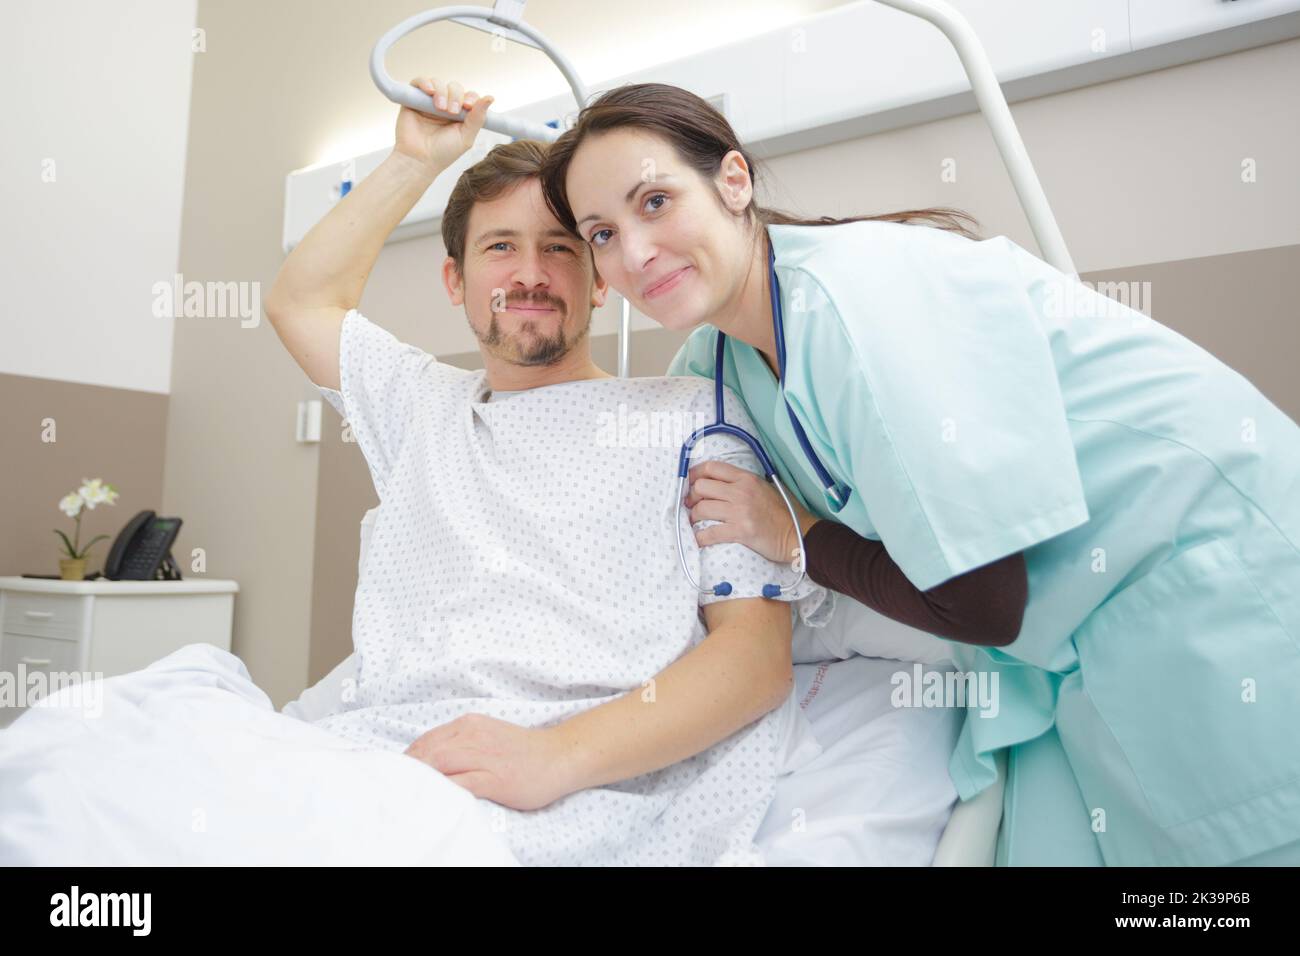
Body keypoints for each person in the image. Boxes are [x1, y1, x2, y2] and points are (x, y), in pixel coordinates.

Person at [535, 81, 1300, 867]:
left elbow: (982, 602)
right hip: (1065, 651)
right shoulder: (718, 367)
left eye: (655, 202)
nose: (633, 253)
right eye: (601, 232)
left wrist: (795, 534)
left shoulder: (862, 298)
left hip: (1207, 574)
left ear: (734, 182)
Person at [265, 79, 838, 866]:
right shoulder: (420, 407)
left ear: (601, 279)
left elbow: (753, 660)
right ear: (455, 281)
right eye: (500, 246)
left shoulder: (693, 418)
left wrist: (554, 757)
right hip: (389, 759)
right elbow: (302, 302)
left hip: (583, 783)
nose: (529, 274)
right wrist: (413, 159)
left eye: (561, 249)